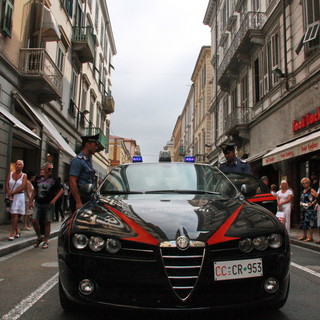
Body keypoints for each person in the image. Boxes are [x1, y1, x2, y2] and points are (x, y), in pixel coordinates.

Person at [30, 162, 63, 249]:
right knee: (34, 220)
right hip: (38, 202)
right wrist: (30, 200)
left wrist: (54, 200)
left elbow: (61, 190)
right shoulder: (38, 178)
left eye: (52, 169)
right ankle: (39, 237)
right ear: (44, 169)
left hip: (49, 204)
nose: (51, 171)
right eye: (49, 169)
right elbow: (35, 190)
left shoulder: (54, 180)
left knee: (47, 222)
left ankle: (46, 240)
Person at [69, 134, 104, 212]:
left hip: (87, 198)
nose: (96, 147)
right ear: (88, 145)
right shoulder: (78, 161)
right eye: (95, 145)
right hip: (79, 198)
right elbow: (72, 182)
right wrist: (78, 202)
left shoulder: (88, 161)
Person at [6, 160, 27, 241]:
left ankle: (12, 232)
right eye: (17, 164)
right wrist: (9, 193)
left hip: (19, 196)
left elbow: (23, 186)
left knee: (15, 214)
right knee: (12, 214)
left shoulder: (24, 175)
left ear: (22, 166)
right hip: (10, 196)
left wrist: (12, 193)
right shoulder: (10, 174)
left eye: (20, 164)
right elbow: (7, 184)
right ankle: (17, 230)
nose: (18, 166)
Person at [298, 177, 318, 242]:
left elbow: (317, 197)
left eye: (306, 183)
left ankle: (310, 236)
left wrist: (312, 203)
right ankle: (304, 235)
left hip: (310, 209)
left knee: (310, 222)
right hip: (304, 208)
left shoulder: (311, 190)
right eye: (303, 183)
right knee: (304, 222)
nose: (304, 184)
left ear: (309, 183)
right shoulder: (303, 191)